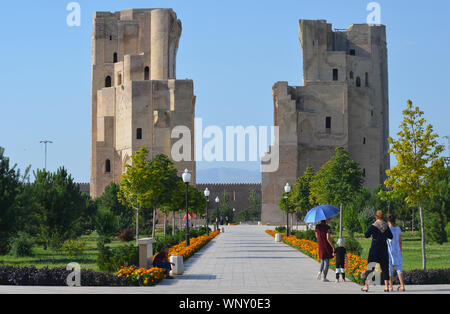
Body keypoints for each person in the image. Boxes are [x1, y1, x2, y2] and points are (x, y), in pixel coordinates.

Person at [361, 210, 393, 292]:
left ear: (376, 216)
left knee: (371, 266)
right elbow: (391, 236)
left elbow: (366, 234)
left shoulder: (373, 226)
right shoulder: (386, 226)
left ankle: (366, 286)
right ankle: (386, 286)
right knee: (385, 267)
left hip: (375, 248)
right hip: (383, 249)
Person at [387, 214, 406, 292]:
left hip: (389, 251)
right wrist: (400, 251)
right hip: (397, 250)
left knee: (390, 269)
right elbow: (400, 241)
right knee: (399, 268)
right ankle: (402, 286)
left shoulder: (387, 229)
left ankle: (390, 286)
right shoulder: (398, 229)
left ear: (388, 221)